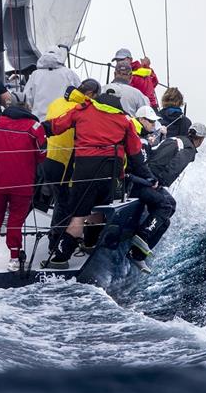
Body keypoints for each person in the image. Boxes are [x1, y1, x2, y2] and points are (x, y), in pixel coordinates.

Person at [43, 91, 155, 268]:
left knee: (78, 217)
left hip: (84, 172)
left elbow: (56, 125)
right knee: (97, 213)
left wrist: (36, 129)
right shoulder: (124, 120)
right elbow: (135, 154)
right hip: (110, 174)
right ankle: (89, 245)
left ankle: (61, 259)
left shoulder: (83, 110)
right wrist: (149, 177)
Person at [127, 123, 206, 273]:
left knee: (167, 214)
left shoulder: (176, 139)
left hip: (143, 178)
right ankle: (142, 235)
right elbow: (175, 167)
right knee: (166, 206)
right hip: (145, 183)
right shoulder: (188, 148)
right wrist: (159, 183)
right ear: (200, 139)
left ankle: (137, 255)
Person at [0, 100, 46, 272]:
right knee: (15, 220)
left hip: (1, 180)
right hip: (23, 181)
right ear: (28, 110)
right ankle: (14, 258)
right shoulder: (35, 127)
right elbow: (42, 154)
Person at [43, 78, 101, 255]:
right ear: (90, 94)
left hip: (50, 158)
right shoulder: (83, 108)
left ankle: (55, 236)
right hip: (67, 161)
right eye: (96, 97)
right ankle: (56, 243)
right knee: (66, 204)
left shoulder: (56, 102)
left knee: (60, 200)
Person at [23, 46, 81, 121]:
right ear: (60, 57)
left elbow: (26, 98)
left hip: (39, 121)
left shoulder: (35, 75)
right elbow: (79, 95)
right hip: (62, 122)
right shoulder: (69, 73)